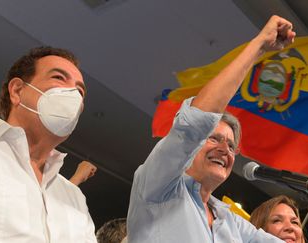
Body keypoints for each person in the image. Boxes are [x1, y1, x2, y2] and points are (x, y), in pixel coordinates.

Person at [127, 15, 296, 243]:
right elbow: (195, 123)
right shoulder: (157, 188)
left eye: (231, 145)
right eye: (214, 139)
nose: (224, 150)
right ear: (192, 146)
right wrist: (259, 47)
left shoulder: (230, 221)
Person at [0, 46, 96, 242]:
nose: (73, 94)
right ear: (17, 91)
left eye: (80, 90)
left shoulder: (74, 197)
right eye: (58, 78)